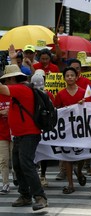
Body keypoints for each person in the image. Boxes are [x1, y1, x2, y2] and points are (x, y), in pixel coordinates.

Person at [0, 64, 48, 211]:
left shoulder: (21, 88)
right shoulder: (20, 90)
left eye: (7, 80)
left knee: (26, 165)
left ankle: (40, 197)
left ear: (13, 79)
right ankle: (25, 195)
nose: (5, 83)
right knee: (18, 165)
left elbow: (1, 89)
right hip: (20, 135)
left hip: (29, 134)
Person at [54, 67, 90, 194]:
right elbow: (56, 109)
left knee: (81, 154)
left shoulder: (83, 92)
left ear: (76, 77)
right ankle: (70, 184)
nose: (69, 77)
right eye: (67, 75)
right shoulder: (60, 94)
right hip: (67, 130)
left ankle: (79, 171)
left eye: (72, 75)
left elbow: (90, 108)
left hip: (81, 129)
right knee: (67, 157)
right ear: (64, 78)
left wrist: (83, 104)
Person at [0, 70, 12, 195]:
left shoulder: (14, 94)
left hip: (15, 132)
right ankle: (5, 183)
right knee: (3, 160)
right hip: (1, 133)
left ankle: (16, 178)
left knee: (16, 159)